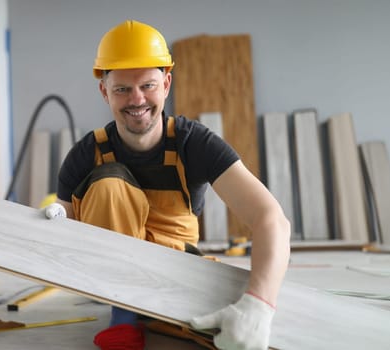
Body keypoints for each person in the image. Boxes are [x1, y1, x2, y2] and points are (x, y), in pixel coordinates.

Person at [55, 19, 291, 350]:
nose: (137, 100)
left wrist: (259, 304)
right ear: (104, 90)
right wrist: (54, 218)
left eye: (148, 85)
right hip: (112, 276)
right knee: (108, 185)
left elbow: (272, 219)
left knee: (230, 334)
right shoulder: (86, 153)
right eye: (122, 88)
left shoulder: (194, 143)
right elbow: (59, 230)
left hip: (175, 263)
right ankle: (123, 316)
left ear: (166, 84)